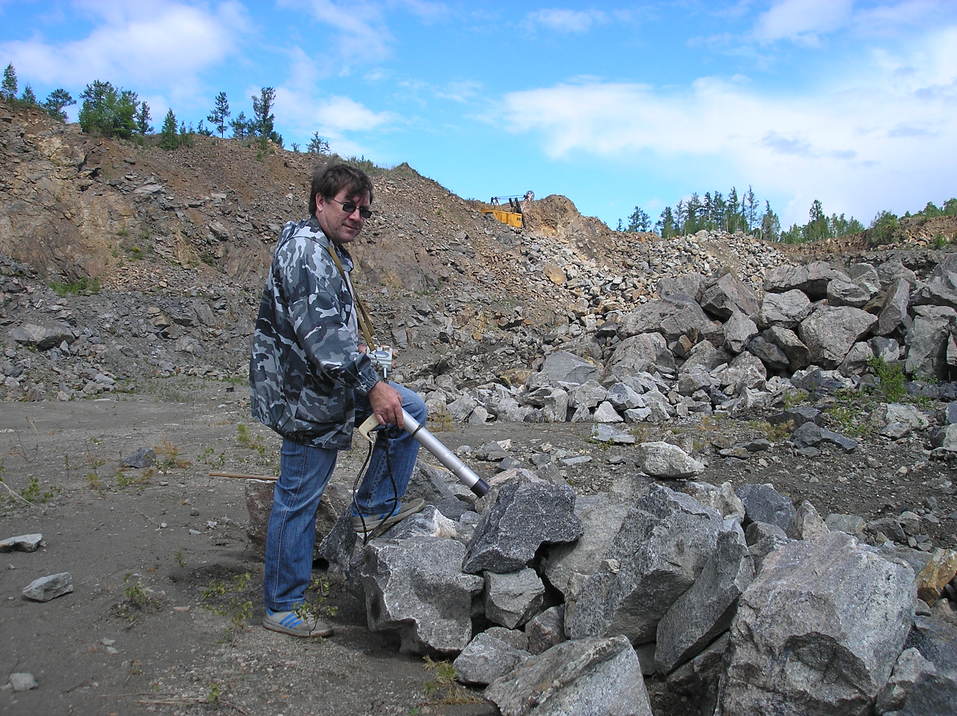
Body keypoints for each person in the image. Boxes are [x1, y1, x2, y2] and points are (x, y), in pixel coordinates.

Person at [249, 163, 426, 638]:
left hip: (327, 382)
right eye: (348, 205)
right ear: (320, 202)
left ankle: (366, 513)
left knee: (410, 411)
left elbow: (330, 330)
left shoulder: (326, 250)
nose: (356, 217)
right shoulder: (307, 254)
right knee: (298, 497)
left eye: (364, 210)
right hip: (304, 395)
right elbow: (323, 338)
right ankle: (282, 606)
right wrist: (371, 382)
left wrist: (362, 357)